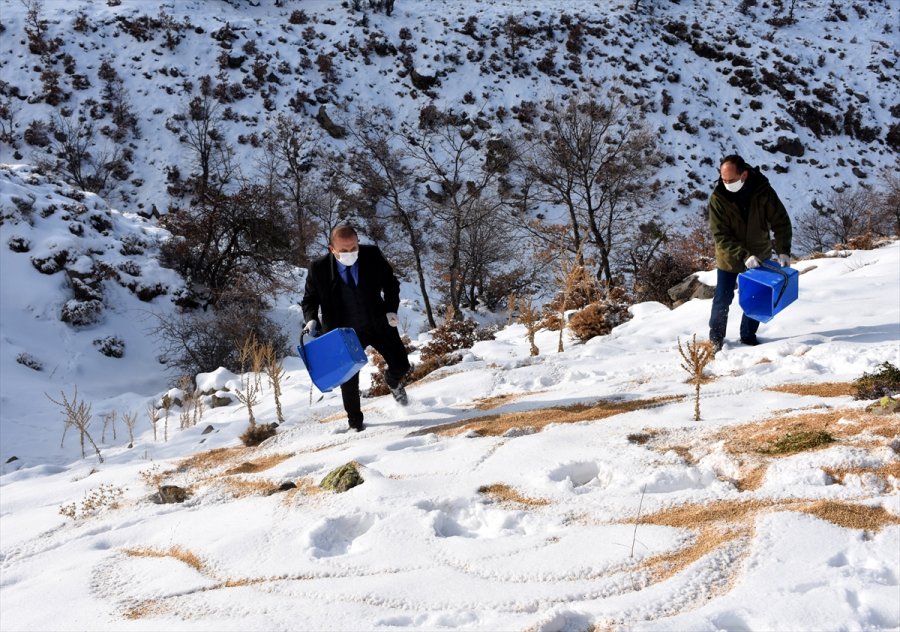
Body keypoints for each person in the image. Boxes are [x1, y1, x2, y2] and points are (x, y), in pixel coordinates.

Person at [301, 224, 411, 431]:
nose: (350, 253)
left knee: (402, 365)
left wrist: (391, 309)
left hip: (378, 321)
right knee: (349, 380)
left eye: (353, 249)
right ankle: (355, 424)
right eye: (344, 250)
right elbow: (309, 300)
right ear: (331, 249)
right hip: (343, 332)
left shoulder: (372, 255)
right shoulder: (318, 268)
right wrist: (311, 319)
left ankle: (392, 380)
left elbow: (391, 284)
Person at [708, 154, 792, 352]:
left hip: (759, 253)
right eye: (723, 179)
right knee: (722, 298)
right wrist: (744, 255)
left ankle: (748, 336)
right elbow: (720, 235)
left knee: (756, 297)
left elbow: (781, 221)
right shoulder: (718, 198)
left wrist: (783, 250)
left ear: (744, 175)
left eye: (731, 180)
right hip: (729, 257)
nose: (726, 183)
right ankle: (715, 340)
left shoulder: (763, 192)